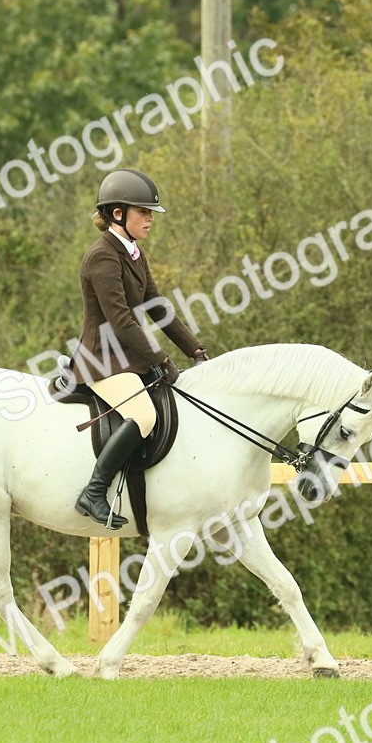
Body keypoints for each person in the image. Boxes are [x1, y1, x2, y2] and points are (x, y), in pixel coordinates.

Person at [70, 168, 209, 529]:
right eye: (143, 211)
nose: (150, 219)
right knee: (145, 416)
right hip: (101, 360)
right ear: (118, 213)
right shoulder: (102, 256)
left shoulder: (133, 253)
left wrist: (195, 351)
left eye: (151, 213)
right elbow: (121, 321)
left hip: (127, 358)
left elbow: (157, 306)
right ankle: (94, 492)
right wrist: (160, 358)